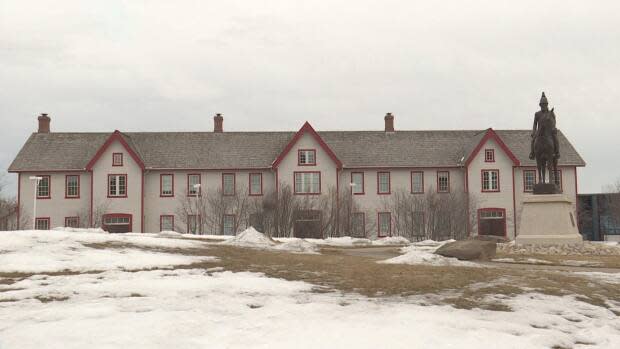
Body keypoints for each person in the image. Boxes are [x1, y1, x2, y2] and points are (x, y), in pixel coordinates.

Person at [530, 92, 560, 160]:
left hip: (549, 131)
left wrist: (554, 128)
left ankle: (557, 152)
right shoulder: (537, 114)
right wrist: (534, 131)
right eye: (542, 105)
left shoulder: (551, 113)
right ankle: (532, 153)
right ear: (540, 105)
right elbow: (535, 124)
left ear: (547, 105)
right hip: (540, 131)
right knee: (533, 140)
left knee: (555, 138)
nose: (543, 106)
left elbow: (554, 121)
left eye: (544, 105)